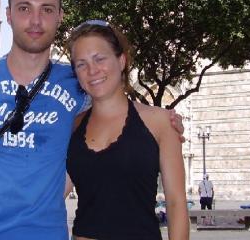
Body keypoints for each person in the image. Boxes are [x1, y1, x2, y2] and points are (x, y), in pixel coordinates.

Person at [0, 0, 184, 240]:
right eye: (24, 8)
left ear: (60, 16)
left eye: (46, 10)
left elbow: (114, 109)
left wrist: (165, 123)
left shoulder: (78, 83)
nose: (35, 20)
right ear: (9, 14)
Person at [65, 20, 189, 240]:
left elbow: (176, 203)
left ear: (121, 61)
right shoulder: (72, 127)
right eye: (81, 64)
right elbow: (54, 194)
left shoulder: (161, 122)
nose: (92, 70)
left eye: (99, 58)